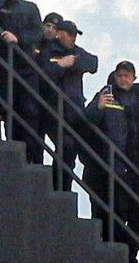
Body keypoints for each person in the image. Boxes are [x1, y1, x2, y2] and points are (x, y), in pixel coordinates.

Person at [84, 61, 139, 262]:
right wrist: (98, 107)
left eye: (127, 75)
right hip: (118, 166)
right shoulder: (106, 96)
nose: (123, 79)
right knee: (118, 211)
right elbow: (86, 121)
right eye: (120, 75)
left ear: (134, 78)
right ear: (115, 75)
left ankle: (130, 255)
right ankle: (118, 253)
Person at [38, 18, 98, 182]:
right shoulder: (48, 50)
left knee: (71, 152)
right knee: (66, 145)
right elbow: (41, 75)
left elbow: (93, 63)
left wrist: (73, 62)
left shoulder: (77, 51)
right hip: (52, 109)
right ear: (60, 33)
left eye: (74, 35)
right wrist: (60, 66)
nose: (73, 38)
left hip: (74, 110)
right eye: (69, 34)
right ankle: (56, 185)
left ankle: (63, 186)